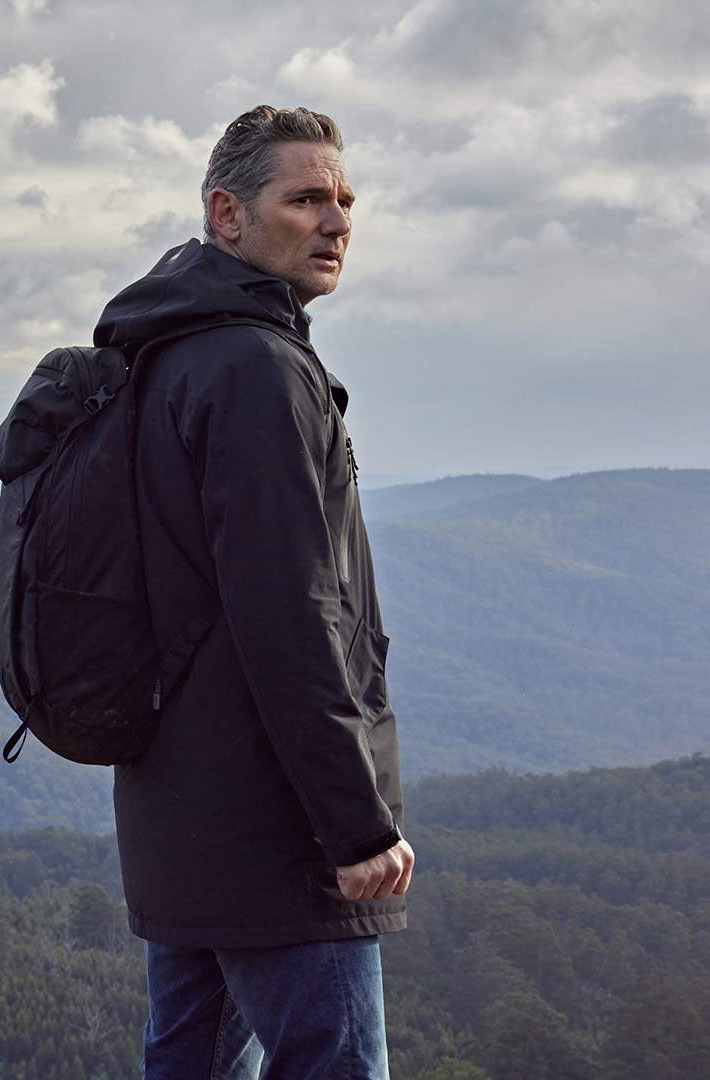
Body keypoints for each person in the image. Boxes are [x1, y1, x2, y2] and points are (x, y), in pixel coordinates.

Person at [89, 105, 416, 1078]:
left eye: (345, 199)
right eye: (306, 197)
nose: (336, 221)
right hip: (277, 829)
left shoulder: (161, 354)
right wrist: (354, 825)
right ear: (226, 215)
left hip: (179, 813)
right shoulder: (257, 370)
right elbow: (293, 614)